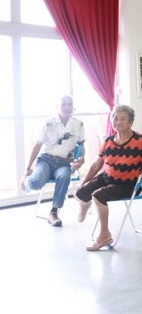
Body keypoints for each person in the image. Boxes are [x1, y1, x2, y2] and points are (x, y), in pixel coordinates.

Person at [75, 105, 142, 251]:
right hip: (107, 178)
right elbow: (95, 166)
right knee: (80, 193)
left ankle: (104, 237)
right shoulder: (108, 141)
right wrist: (84, 183)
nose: (118, 122)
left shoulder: (141, 140)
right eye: (115, 118)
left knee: (98, 196)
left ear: (131, 122)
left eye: (123, 119)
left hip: (128, 185)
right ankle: (84, 205)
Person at [21, 95, 85, 227]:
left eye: (70, 104)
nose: (67, 107)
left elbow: (81, 146)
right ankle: (26, 182)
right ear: (58, 107)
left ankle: (54, 212)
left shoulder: (78, 124)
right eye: (64, 104)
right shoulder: (48, 122)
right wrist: (28, 167)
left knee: (64, 176)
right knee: (36, 183)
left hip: (64, 162)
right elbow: (37, 145)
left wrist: (81, 160)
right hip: (46, 160)